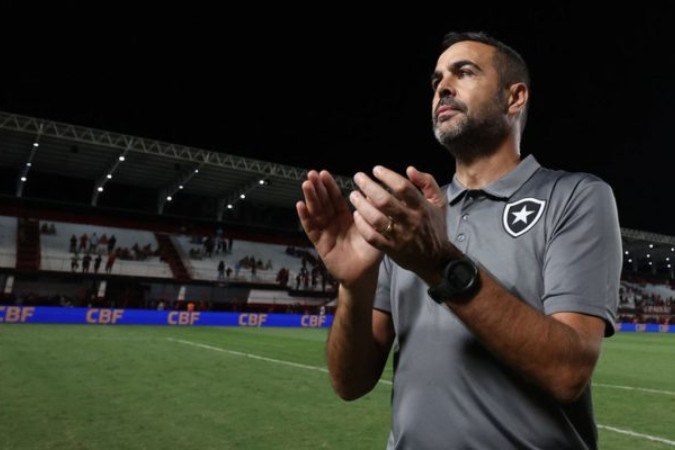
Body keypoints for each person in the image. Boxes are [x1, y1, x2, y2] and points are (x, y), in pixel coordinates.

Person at [296, 31, 621, 449]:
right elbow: (350, 382)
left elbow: (569, 371)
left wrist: (438, 262)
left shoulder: (574, 197)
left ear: (515, 97)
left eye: (464, 72)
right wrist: (354, 285)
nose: (442, 87)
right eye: (436, 81)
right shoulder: (409, 220)